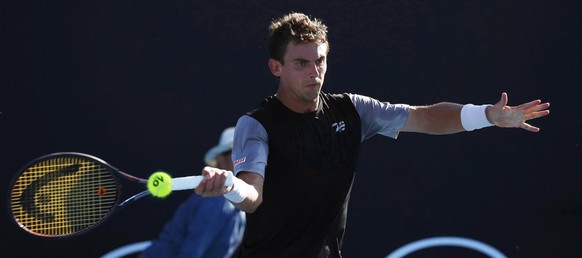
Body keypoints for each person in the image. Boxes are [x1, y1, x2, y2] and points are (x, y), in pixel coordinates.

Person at [193, 12, 551, 258]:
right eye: (301, 63)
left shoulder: (353, 110)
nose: (314, 72)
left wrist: (486, 116)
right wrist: (230, 186)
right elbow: (252, 194)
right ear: (276, 67)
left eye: (320, 60)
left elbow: (424, 117)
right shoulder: (256, 124)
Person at [140, 127, 245, 258]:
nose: (247, 162)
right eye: (239, 154)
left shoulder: (240, 204)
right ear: (221, 160)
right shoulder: (216, 201)